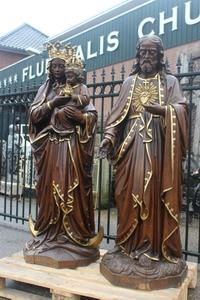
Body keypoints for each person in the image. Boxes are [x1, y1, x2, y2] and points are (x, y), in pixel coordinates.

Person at [99, 35, 188, 289]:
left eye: (152, 52)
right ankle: (126, 246)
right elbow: (116, 117)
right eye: (143, 52)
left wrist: (163, 110)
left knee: (151, 195)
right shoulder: (129, 82)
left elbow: (181, 109)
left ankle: (150, 250)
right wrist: (107, 139)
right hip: (130, 148)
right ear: (138, 56)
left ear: (160, 56)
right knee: (126, 195)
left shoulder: (169, 82)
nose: (147, 57)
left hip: (158, 149)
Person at [24, 42, 103, 269]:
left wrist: (79, 118)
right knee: (49, 189)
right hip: (50, 146)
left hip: (72, 147)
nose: (58, 71)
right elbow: (35, 115)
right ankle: (49, 232)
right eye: (55, 66)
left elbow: (91, 115)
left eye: (62, 66)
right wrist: (52, 103)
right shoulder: (45, 90)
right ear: (50, 69)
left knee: (73, 187)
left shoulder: (79, 88)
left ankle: (74, 236)